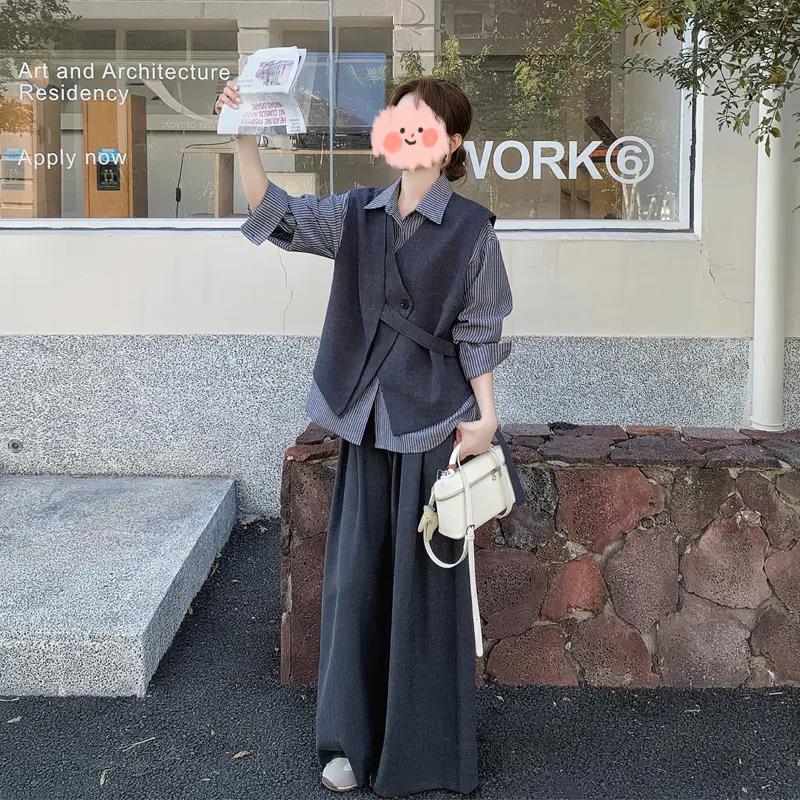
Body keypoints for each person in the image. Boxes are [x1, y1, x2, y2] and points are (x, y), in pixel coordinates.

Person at [215, 74, 525, 797]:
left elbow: (481, 329)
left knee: (424, 594)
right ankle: (349, 743)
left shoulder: (474, 230)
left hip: (434, 425)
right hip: (363, 422)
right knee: (354, 584)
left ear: (450, 143)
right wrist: (245, 136)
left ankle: (423, 753)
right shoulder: (356, 213)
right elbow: (276, 214)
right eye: (399, 118)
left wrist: (487, 418)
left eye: (423, 121)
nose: (407, 129)